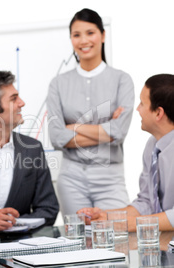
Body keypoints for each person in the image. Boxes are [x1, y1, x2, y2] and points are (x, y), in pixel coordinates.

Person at [46, 8, 134, 215]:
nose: (84, 40)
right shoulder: (58, 84)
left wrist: (74, 127)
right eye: (77, 35)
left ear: (103, 35)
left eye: (90, 33)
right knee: (77, 241)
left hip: (110, 177)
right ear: (71, 39)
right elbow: (57, 137)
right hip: (71, 178)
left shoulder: (122, 80)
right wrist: (105, 131)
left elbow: (119, 132)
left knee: (117, 236)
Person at [0, 71, 59, 231]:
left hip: (23, 249)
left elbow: (49, 210)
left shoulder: (33, 149)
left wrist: (12, 223)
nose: (22, 103)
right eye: (14, 99)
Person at [78, 74, 174, 232]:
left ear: (158, 113)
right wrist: (106, 216)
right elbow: (147, 203)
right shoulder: (152, 145)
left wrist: (126, 225)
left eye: (142, 103)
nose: (137, 109)